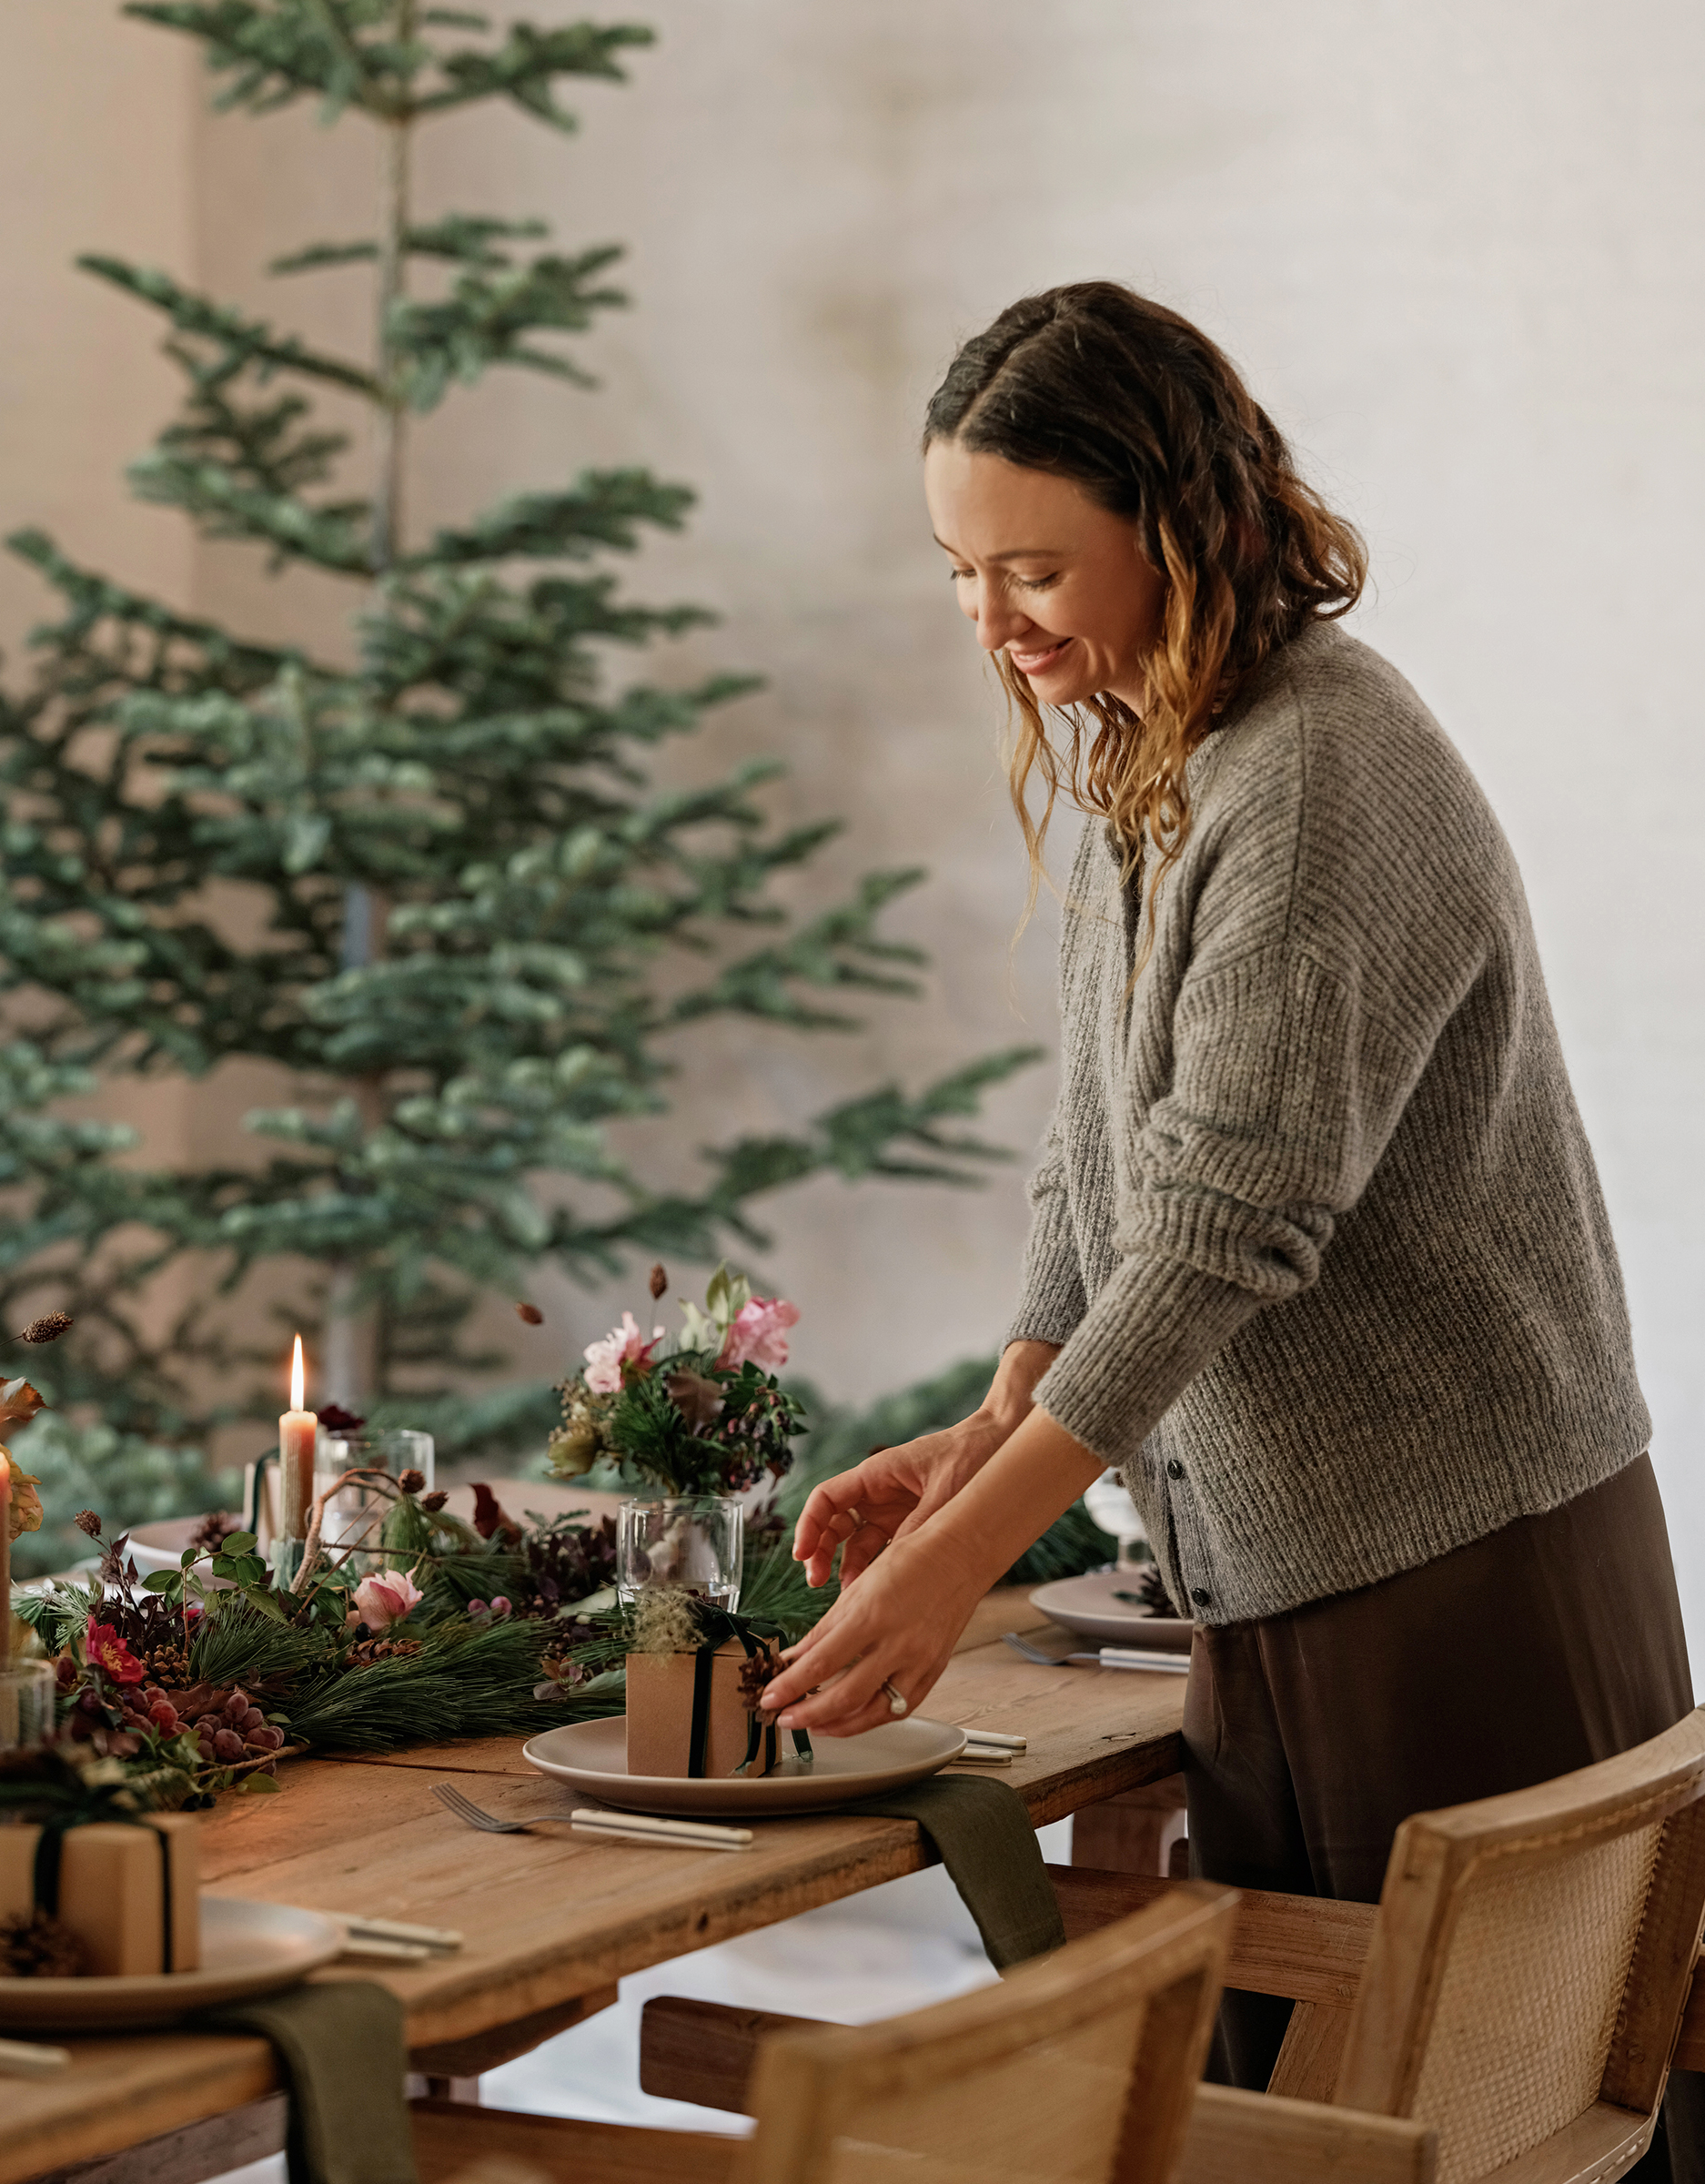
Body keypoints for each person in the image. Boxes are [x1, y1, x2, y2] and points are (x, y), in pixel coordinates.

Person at [757, 281, 1698, 2170]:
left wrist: (963, 1565)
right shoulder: (1150, 741)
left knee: (1445, 2131)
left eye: (1031, 565)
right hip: (1295, 1572)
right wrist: (992, 1427)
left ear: (1177, 521)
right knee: (1315, 2114)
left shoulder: (1314, 770)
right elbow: (1104, 1137)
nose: (990, 620)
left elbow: (1219, 1222)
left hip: (1452, 1571)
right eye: (959, 570)